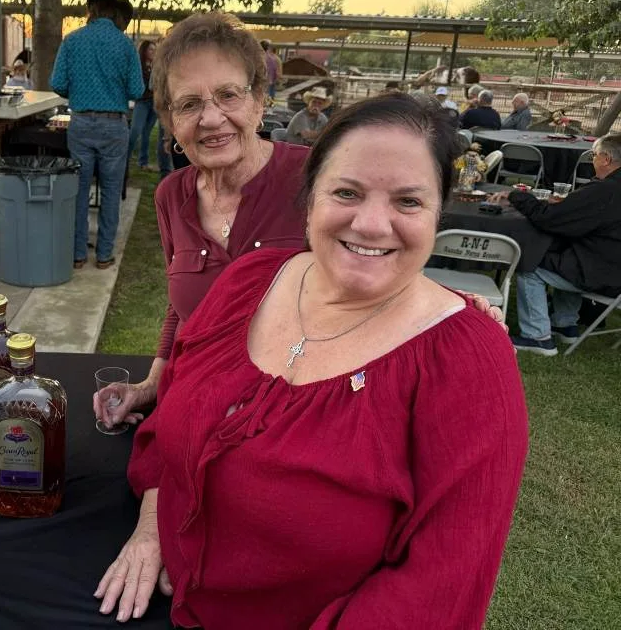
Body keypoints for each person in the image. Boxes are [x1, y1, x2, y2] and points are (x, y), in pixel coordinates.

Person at [96, 92, 529, 628]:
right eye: (347, 192)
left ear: (439, 213)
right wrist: (151, 527)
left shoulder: (466, 362)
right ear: (309, 199)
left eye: (408, 202)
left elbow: (439, 586)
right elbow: (172, 420)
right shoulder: (248, 280)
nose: (371, 224)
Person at [489, 134, 621, 355]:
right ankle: (565, 324)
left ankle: (537, 336)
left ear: (606, 159)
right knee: (566, 258)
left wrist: (517, 196)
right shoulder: (608, 189)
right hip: (609, 267)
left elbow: (550, 219)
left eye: (594, 156)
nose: (592, 161)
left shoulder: (606, 190)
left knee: (531, 264)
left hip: (604, 274)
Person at [51, 0, 144, 269]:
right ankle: (104, 255)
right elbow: (137, 90)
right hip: (114, 125)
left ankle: (78, 254)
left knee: (79, 191)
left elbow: (58, 83)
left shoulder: (72, 40)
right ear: (114, 13)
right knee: (112, 192)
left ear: (92, 11)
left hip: (80, 123)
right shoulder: (125, 45)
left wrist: (81, 91)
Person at [128, 40, 164, 172]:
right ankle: (125, 157)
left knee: (146, 133)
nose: (154, 52)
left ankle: (143, 161)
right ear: (144, 51)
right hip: (142, 102)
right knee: (135, 130)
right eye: (151, 49)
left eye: (155, 50)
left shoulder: (157, 66)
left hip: (154, 102)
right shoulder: (138, 66)